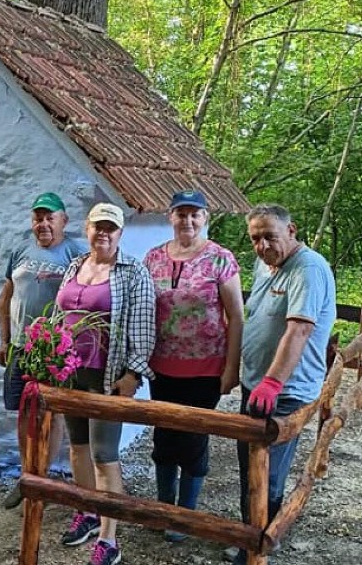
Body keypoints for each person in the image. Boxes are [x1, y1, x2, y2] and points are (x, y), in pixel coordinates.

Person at [225, 204, 335, 565]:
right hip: (255, 385)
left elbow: (300, 328)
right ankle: (251, 536)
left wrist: (272, 381)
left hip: (284, 392)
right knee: (250, 467)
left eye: (270, 236)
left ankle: (258, 546)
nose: (262, 245)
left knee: (266, 475)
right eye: (255, 238)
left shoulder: (308, 269)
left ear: (292, 230)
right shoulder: (265, 262)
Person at [55, 203, 155, 565]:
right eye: (98, 226)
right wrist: (50, 353)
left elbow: (143, 327)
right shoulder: (75, 265)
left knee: (104, 456)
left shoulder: (133, 272)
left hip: (106, 377)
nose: (103, 233)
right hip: (70, 373)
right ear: (87, 229)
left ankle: (109, 539)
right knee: (77, 447)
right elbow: (59, 314)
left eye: (110, 228)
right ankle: (88, 512)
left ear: (120, 233)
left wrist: (133, 374)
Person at [143, 190, 244, 541]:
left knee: (193, 437)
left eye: (194, 214)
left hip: (206, 368)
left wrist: (232, 368)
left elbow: (237, 316)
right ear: (170, 216)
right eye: (180, 213)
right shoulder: (153, 258)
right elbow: (144, 311)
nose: (187, 220)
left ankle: (184, 515)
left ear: (205, 218)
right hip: (162, 367)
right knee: (164, 434)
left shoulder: (220, 259)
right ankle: (162, 508)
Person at [0, 192, 88, 509]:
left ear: (64, 220)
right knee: (23, 413)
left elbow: (84, 302)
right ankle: (27, 477)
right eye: (38, 218)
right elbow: (6, 297)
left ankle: (44, 481)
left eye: (50, 217)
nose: (43, 223)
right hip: (21, 348)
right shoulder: (20, 250)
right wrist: (5, 340)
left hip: (53, 352)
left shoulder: (76, 253)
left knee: (51, 415)